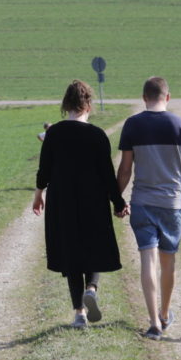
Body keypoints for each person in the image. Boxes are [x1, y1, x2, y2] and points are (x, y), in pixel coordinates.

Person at [33, 80, 129, 327]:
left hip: (62, 201)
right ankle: (92, 289)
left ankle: (79, 314)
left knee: (71, 252)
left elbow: (44, 170)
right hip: (93, 199)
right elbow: (108, 176)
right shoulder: (97, 135)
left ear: (66, 104)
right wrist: (118, 203)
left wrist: (38, 194)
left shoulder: (54, 133)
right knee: (94, 245)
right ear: (88, 104)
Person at [117, 76, 181, 340]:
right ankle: (164, 314)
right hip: (172, 205)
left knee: (147, 261)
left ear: (144, 97)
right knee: (168, 262)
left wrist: (116, 198)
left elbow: (125, 169)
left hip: (142, 202)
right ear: (168, 97)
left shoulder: (133, 125)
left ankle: (153, 322)